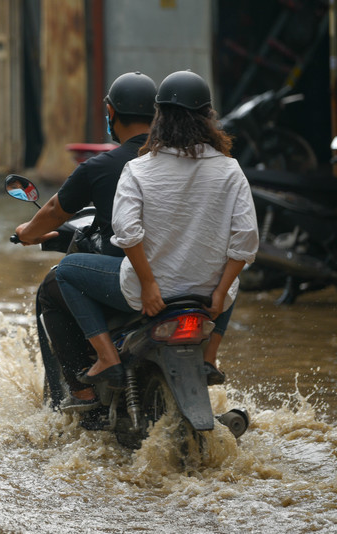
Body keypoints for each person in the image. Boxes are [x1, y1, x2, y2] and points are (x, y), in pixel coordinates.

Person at [53, 70, 259, 391]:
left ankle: (107, 358)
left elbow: (126, 232)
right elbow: (246, 243)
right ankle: (210, 358)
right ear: (208, 118)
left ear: (159, 117)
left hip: (147, 296)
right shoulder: (230, 169)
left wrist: (149, 286)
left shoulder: (139, 168)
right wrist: (219, 292)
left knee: (65, 271)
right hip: (208, 298)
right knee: (231, 280)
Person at [14, 72, 157, 411]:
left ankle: (81, 392)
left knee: (55, 284)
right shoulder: (177, 162)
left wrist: (28, 233)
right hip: (185, 277)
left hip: (132, 278)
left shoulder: (104, 166)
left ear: (111, 114)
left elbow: (53, 210)